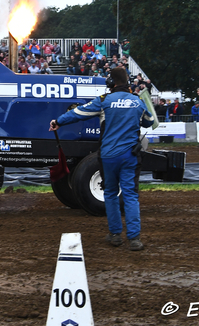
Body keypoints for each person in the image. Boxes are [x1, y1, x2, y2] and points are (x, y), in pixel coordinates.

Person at [49, 67, 154, 251]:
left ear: (110, 83)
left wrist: (58, 121)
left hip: (108, 156)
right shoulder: (137, 102)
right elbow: (149, 121)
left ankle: (115, 235)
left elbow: (79, 113)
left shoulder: (104, 101)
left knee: (111, 194)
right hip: (130, 156)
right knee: (130, 195)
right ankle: (134, 238)